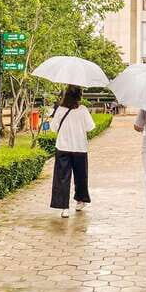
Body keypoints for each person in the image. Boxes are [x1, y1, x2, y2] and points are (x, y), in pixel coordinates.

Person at [49, 85, 95, 218]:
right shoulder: (83, 110)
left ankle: (64, 207)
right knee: (81, 176)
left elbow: (53, 128)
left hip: (63, 147)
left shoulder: (60, 110)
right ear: (79, 96)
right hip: (80, 147)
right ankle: (80, 201)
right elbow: (90, 127)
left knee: (62, 177)